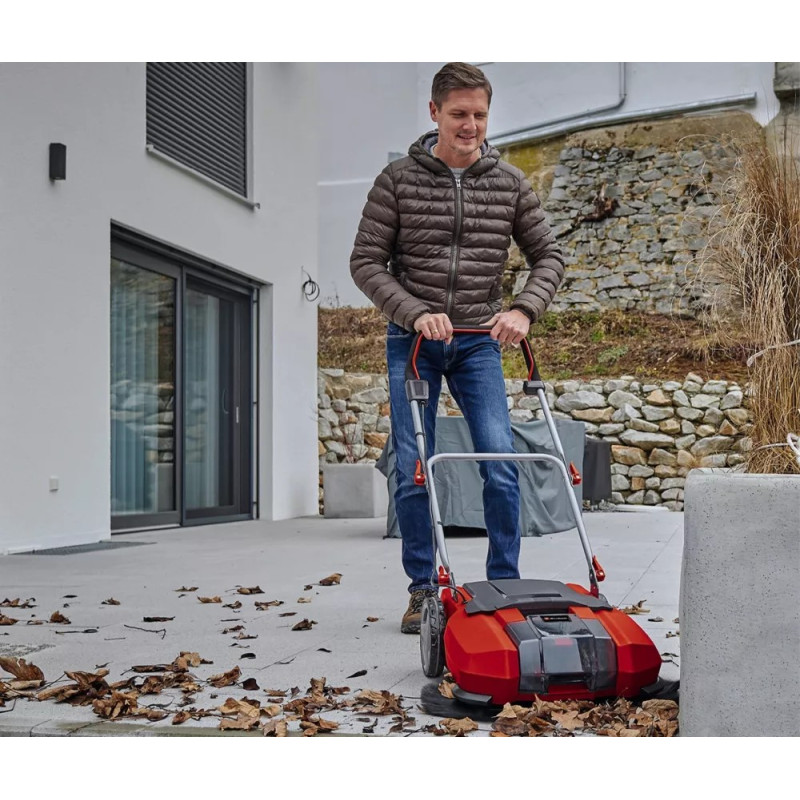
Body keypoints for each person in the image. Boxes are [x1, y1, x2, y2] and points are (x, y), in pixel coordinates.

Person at [350, 62, 565, 633]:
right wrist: (415, 313)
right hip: (414, 342)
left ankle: (504, 584)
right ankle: (423, 589)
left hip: (477, 344)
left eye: (480, 115)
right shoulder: (397, 180)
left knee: (500, 462)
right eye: (459, 114)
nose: (470, 126)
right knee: (413, 468)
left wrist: (523, 310)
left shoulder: (509, 183)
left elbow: (549, 256)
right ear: (434, 113)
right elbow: (366, 262)